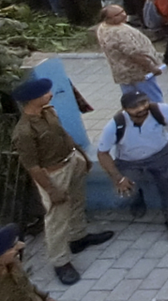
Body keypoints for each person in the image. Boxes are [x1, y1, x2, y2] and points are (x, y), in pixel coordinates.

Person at [11, 78, 114, 285]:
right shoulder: (24, 132)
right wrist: (51, 190)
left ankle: (78, 237)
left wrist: (82, 156)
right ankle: (60, 262)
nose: (50, 94)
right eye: (45, 93)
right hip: (53, 174)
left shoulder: (48, 111)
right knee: (57, 217)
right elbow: (32, 166)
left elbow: (63, 134)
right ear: (33, 99)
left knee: (77, 201)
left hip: (71, 161)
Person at [96, 91, 168, 242]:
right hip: (129, 162)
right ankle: (137, 197)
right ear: (125, 109)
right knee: (126, 193)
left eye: (144, 103)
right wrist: (118, 178)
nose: (142, 108)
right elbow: (102, 153)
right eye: (135, 107)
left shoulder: (160, 110)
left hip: (161, 156)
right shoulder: (115, 125)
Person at [96, 4, 165, 102]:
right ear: (108, 18)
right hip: (140, 73)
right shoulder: (119, 32)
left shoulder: (103, 27)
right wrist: (152, 68)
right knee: (154, 100)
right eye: (117, 15)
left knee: (132, 101)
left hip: (123, 74)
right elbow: (135, 54)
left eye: (122, 11)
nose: (124, 15)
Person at [0, 222, 55, 301]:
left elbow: (28, 286)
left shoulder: (13, 263)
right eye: (13, 246)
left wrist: (45, 297)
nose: (22, 245)